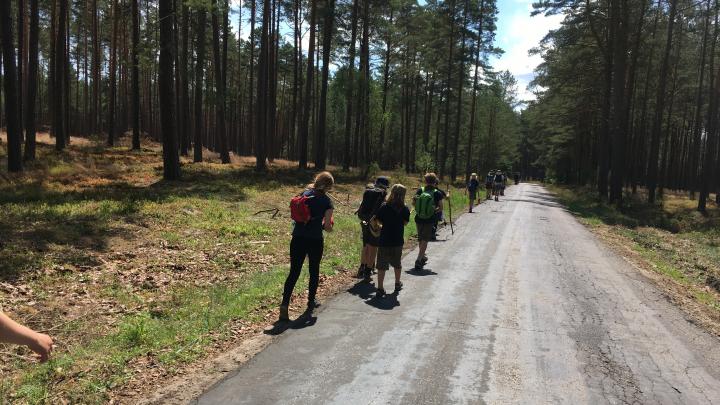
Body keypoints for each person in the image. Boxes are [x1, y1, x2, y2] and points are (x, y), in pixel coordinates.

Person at [280, 171, 335, 322]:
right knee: (314, 270)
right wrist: (327, 226)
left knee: (294, 272)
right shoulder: (327, 201)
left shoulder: (304, 193)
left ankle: (284, 304)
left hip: (297, 238)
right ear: (329, 186)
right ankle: (311, 302)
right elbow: (328, 227)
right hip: (315, 240)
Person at [374, 184, 410, 298]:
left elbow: (378, 220)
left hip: (384, 240)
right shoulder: (404, 209)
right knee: (397, 263)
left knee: (381, 265)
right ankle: (397, 283)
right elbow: (405, 223)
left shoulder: (384, 206)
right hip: (397, 240)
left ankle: (380, 288)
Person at [356, 176, 390, 282]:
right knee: (373, 247)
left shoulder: (368, 191)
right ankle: (368, 272)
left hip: (364, 221)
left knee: (365, 245)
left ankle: (362, 268)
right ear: (385, 186)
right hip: (375, 223)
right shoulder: (382, 194)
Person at [413, 173, 444, 270]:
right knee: (425, 239)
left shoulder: (420, 190)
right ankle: (419, 259)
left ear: (425, 181)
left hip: (418, 218)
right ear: (435, 181)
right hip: (429, 219)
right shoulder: (437, 193)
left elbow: (414, 203)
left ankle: (422, 256)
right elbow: (441, 208)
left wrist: (420, 210)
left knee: (420, 238)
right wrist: (433, 211)